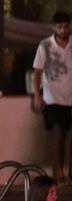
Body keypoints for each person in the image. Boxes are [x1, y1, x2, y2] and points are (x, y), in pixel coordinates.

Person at [33, 11, 72, 182]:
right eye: (60, 27)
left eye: (65, 26)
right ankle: (58, 174)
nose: (63, 30)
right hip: (53, 98)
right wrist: (37, 95)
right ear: (54, 27)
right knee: (58, 136)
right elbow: (37, 71)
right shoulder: (45, 46)